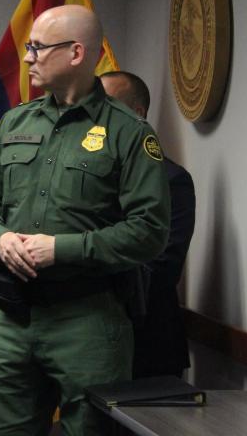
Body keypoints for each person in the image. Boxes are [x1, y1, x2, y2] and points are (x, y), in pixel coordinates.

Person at [0, 5, 170, 435]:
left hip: (89, 321)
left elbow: (149, 231)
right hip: (13, 318)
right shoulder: (14, 123)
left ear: (76, 53)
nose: (27, 58)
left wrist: (62, 249)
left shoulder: (128, 133)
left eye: (38, 48)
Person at [100, 70, 196, 379]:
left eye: (105, 106)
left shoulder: (170, 180)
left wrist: (85, 263)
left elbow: (161, 266)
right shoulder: (91, 176)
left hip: (147, 342)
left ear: (137, 114)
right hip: (90, 340)